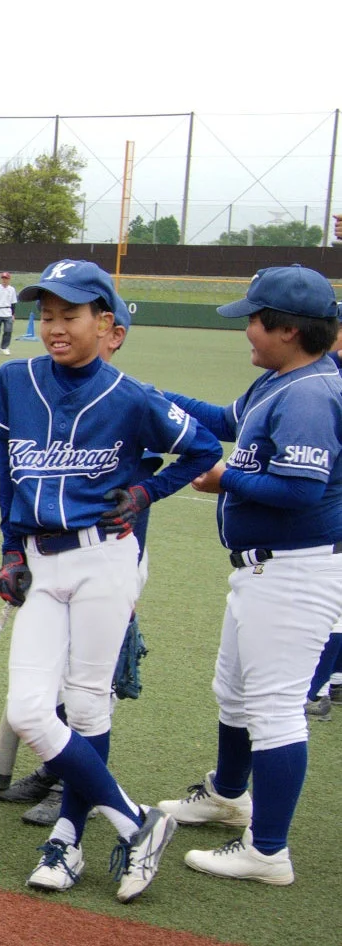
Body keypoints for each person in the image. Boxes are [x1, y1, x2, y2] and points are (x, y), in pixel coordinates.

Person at [0, 260, 219, 900]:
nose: (55, 326)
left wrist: (146, 491)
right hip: (40, 558)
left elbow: (203, 449)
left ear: (104, 322)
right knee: (30, 709)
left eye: (70, 315)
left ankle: (67, 840)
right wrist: (10, 551)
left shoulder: (131, 395)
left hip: (104, 558)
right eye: (46, 314)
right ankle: (138, 823)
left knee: (85, 705)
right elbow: (10, 476)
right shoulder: (14, 380)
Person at [152, 267, 342, 885]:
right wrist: (147, 396)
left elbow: (300, 489)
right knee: (233, 692)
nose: (247, 330)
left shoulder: (310, 393)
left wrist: (221, 478)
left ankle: (268, 852)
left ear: (288, 329)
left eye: (254, 320)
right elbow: (221, 419)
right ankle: (229, 795)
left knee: (275, 709)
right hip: (267, 570)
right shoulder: (281, 378)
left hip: (298, 570)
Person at [0, 271, 18, 355]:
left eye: (6, 279)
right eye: (3, 278)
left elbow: (13, 303)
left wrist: (13, 314)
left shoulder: (12, 289)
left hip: (8, 313)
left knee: (8, 331)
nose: (4, 280)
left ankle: (4, 347)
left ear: (9, 280)